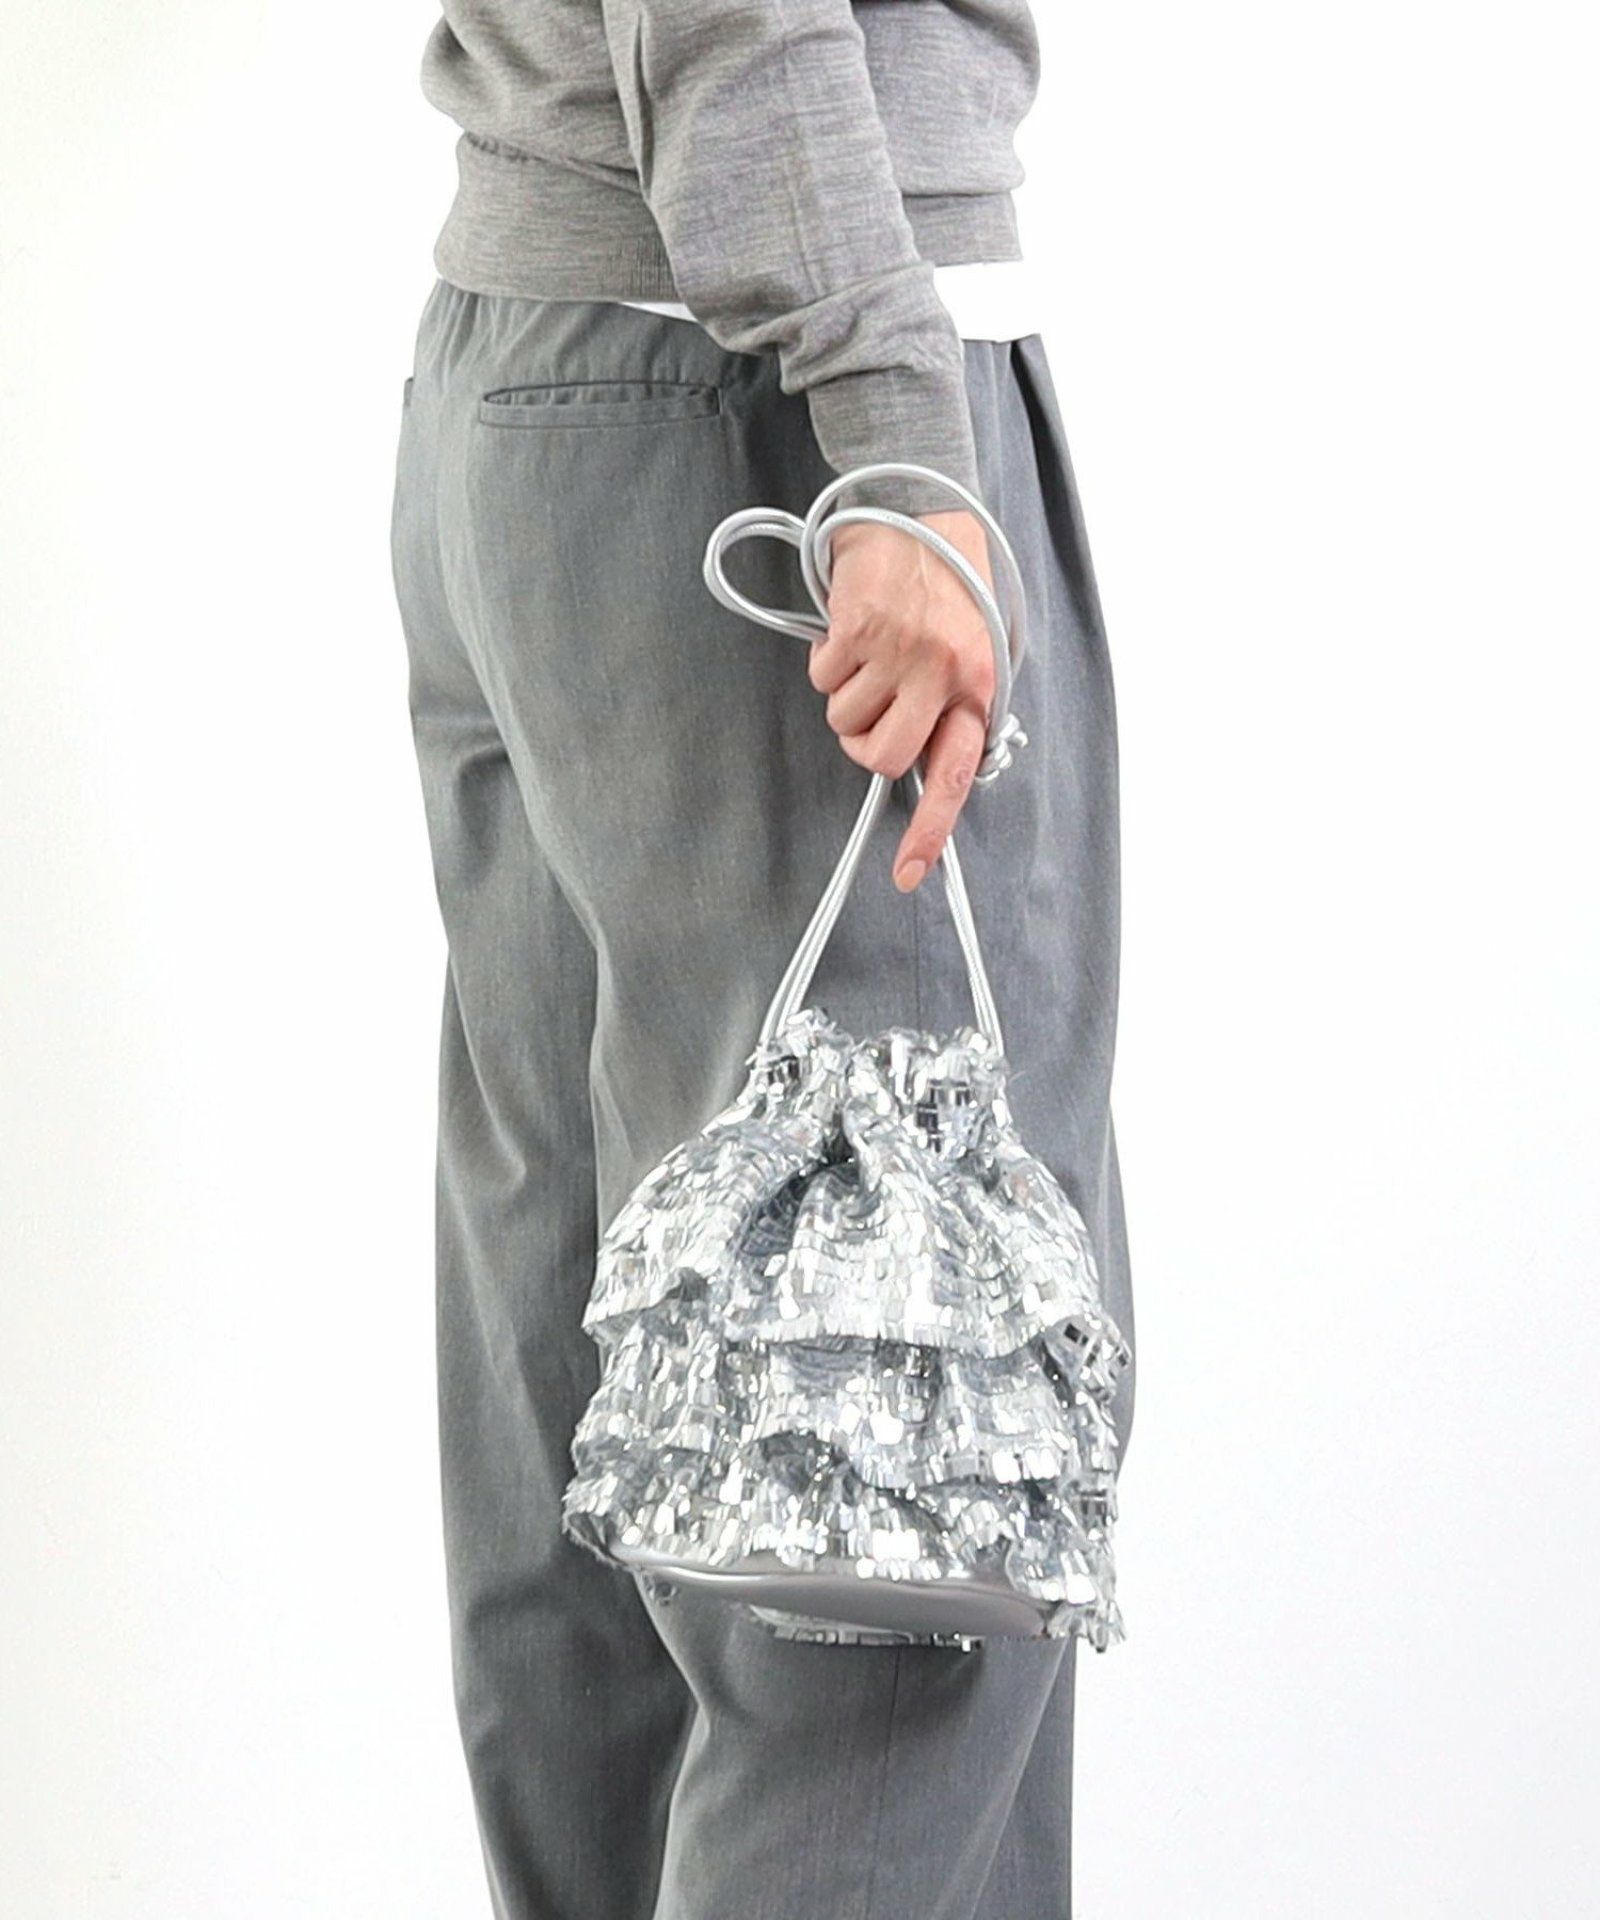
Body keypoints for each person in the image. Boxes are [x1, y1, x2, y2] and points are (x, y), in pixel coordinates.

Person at [389, 3, 1136, 1914]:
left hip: (553, 379)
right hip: (787, 406)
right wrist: (893, 429)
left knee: (611, 1395)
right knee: (891, 1524)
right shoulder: (853, 406)